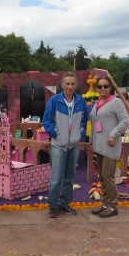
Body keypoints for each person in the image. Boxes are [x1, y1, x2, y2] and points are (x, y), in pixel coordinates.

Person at [42, 71, 89, 218]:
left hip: (73, 145)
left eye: (72, 84)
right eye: (67, 84)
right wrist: (56, 134)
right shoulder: (55, 100)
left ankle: (64, 203)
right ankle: (53, 206)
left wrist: (79, 135)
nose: (70, 86)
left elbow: (84, 120)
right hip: (58, 145)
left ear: (76, 85)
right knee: (56, 178)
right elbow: (47, 121)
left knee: (69, 177)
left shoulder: (80, 101)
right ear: (62, 85)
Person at [89, 76, 129, 218]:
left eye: (105, 86)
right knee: (102, 176)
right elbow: (95, 124)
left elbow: (125, 121)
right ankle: (105, 203)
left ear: (111, 87)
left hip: (110, 145)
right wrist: (91, 141)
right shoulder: (97, 103)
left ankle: (113, 206)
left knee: (108, 176)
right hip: (99, 145)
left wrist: (113, 134)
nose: (102, 89)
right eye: (99, 86)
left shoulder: (116, 102)